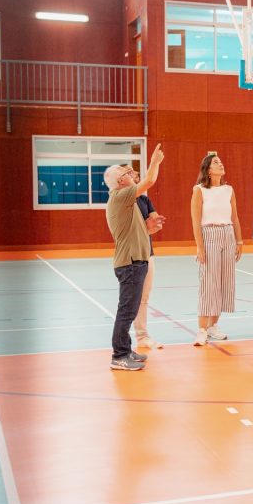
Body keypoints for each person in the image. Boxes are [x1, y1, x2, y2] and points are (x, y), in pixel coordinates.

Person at [102, 143, 164, 370]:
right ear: (121, 181)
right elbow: (149, 181)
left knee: (130, 308)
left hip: (137, 261)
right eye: (128, 173)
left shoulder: (130, 204)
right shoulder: (120, 196)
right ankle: (119, 355)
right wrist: (155, 162)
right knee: (126, 311)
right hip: (129, 263)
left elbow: (141, 232)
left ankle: (126, 350)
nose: (132, 175)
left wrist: (151, 227)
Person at [190, 153, 243, 346]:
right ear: (208, 169)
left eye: (220, 161)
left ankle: (213, 326)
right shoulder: (199, 190)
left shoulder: (229, 190)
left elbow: (235, 217)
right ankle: (202, 330)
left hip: (228, 234)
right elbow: (196, 221)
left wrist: (239, 241)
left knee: (223, 282)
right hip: (208, 235)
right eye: (215, 162)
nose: (220, 164)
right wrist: (200, 247)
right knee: (208, 283)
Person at [131, 172, 166, 350]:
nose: (135, 173)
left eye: (135, 171)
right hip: (131, 256)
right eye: (129, 171)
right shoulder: (122, 199)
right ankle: (126, 340)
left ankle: (142, 336)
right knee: (131, 298)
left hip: (148, 252)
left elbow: (154, 222)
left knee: (144, 297)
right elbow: (134, 229)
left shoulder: (144, 200)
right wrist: (147, 227)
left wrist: (154, 224)